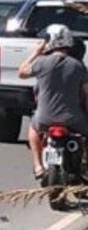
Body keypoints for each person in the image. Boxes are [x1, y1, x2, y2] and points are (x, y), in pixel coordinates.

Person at [19, 24, 88, 180]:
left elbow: (22, 72)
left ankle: (38, 166)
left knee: (33, 128)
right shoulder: (77, 66)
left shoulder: (41, 63)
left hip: (44, 118)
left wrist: (35, 53)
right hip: (73, 119)